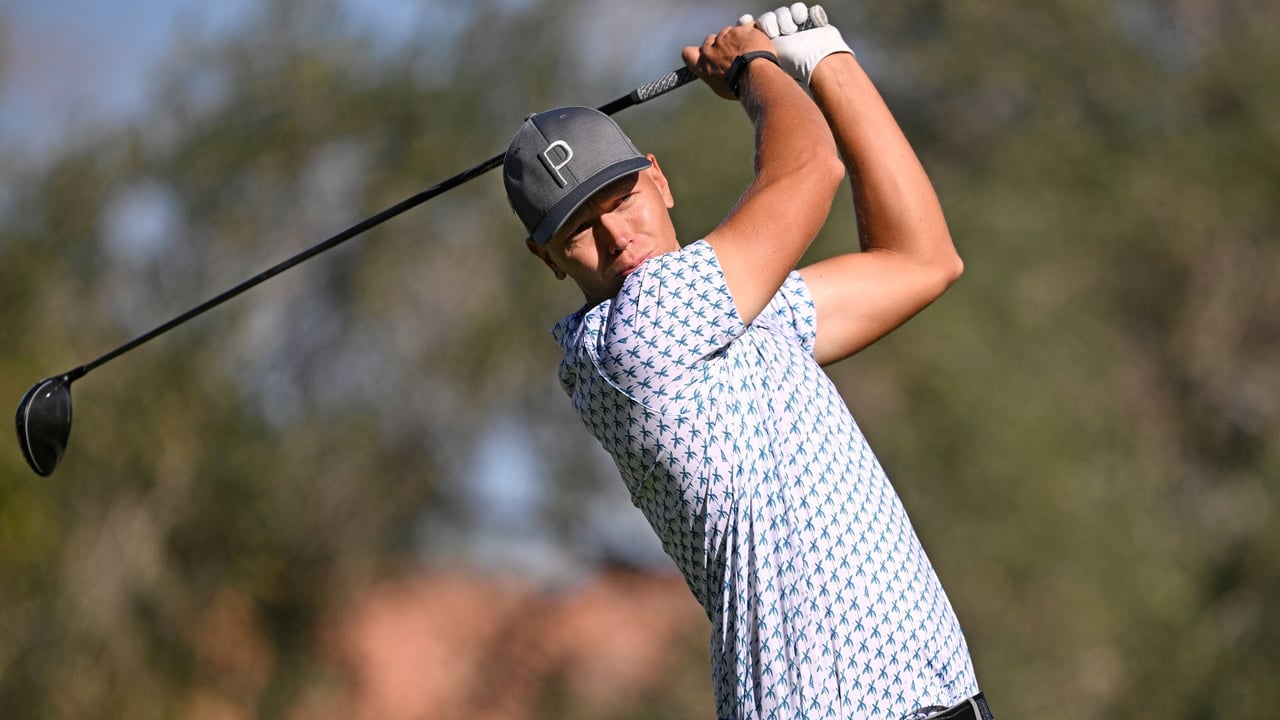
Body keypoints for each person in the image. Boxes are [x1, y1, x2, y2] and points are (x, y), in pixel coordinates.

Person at [502, 5, 991, 719]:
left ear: (659, 181)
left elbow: (921, 260)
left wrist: (829, 63)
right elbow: (809, 169)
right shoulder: (638, 337)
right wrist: (753, 68)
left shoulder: (725, 321)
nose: (617, 236)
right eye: (578, 229)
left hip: (927, 698)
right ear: (545, 258)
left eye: (622, 197)